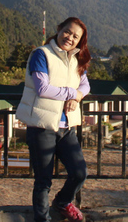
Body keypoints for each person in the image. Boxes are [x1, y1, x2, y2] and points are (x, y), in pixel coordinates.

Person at [16, 17, 91, 222]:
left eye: (76, 36)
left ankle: (62, 201)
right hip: (41, 126)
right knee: (43, 181)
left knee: (79, 172)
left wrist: (77, 96)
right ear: (59, 29)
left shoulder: (75, 59)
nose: (70, 38)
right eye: (67, 32)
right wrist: (70, 93)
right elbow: (42, 88)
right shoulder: (42, 54)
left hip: (66, 127)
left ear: (79, 41)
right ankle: (42, 219)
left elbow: (85, 86)